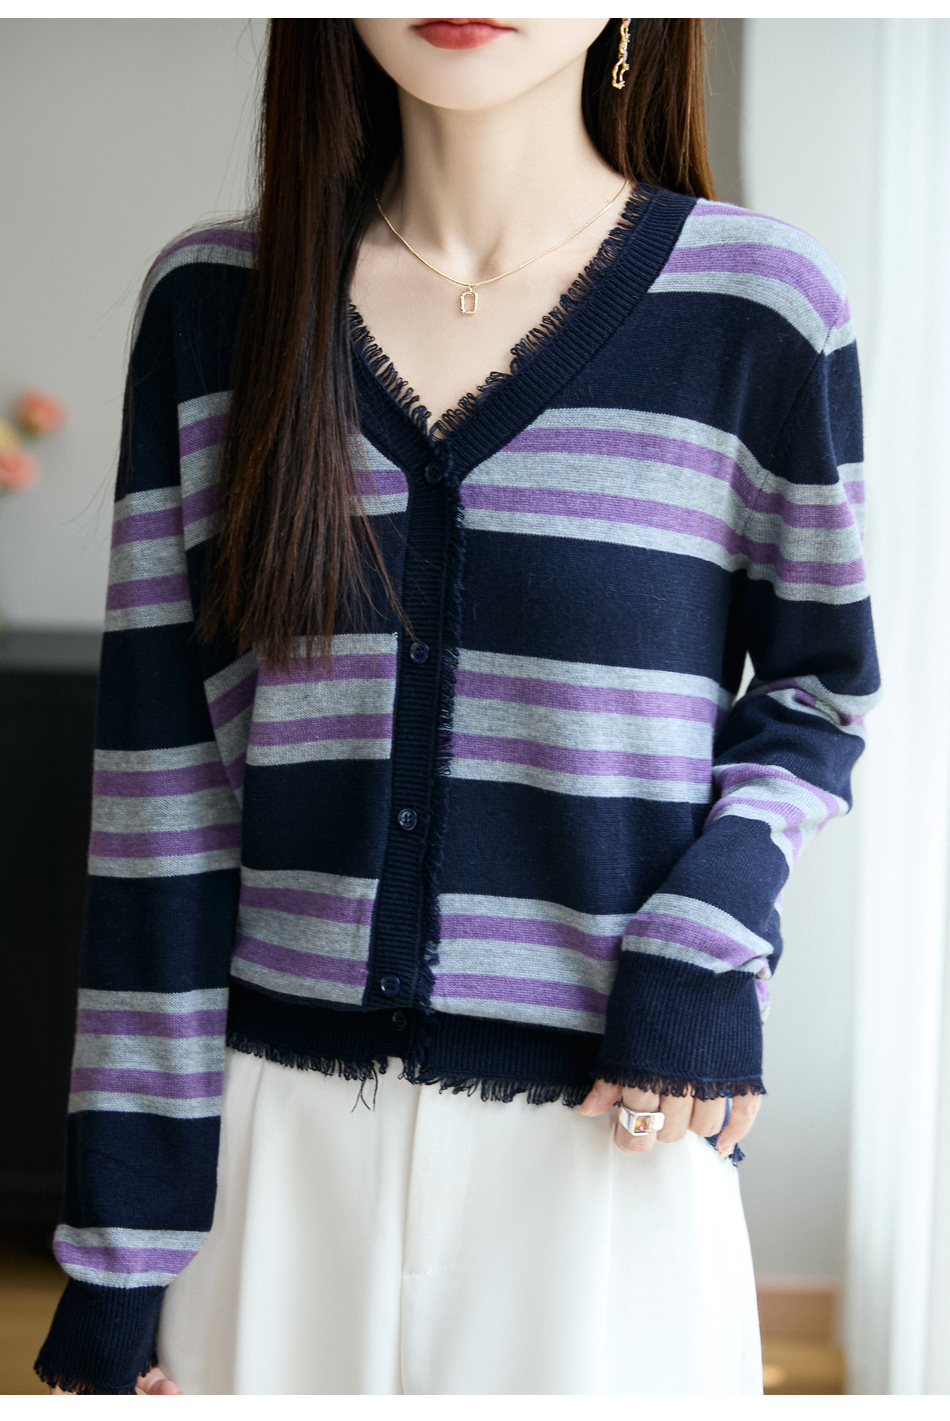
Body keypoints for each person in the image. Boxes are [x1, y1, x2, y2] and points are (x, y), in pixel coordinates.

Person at [37, 17, 879, 1395]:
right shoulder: (215, 307)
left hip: (608, 1156)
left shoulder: (760, 309)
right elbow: (160, 801)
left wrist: (710, 926)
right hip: (273, 1171)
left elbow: (816, 693)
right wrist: (119, 1258)